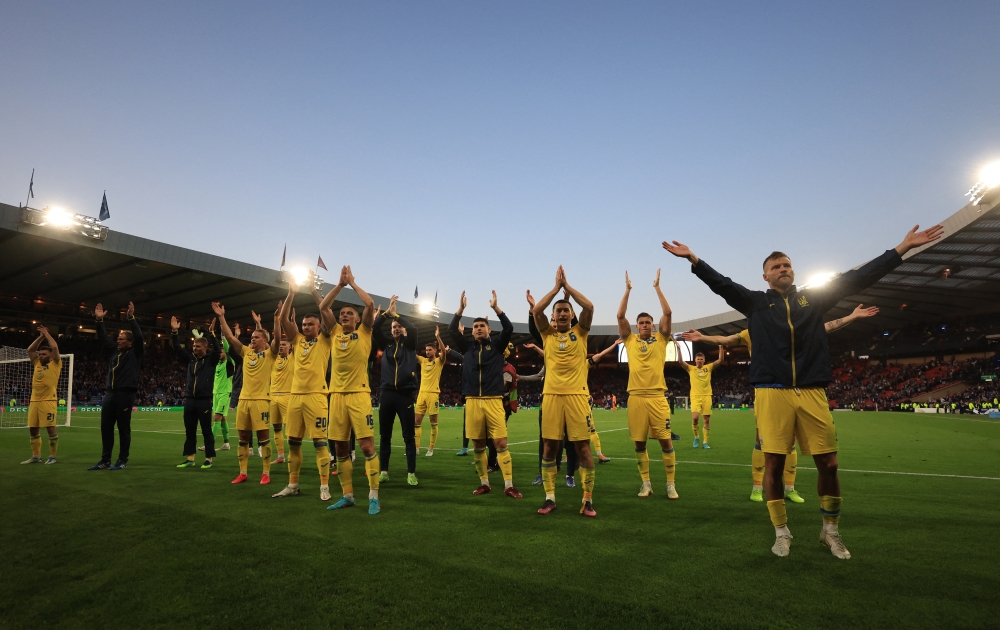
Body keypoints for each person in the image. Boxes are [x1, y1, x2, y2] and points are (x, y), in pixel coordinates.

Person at [663, 222, 943, 558]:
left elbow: (858, 278)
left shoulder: (813, 299)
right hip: (771, 392)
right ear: (765, 276)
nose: (783, 269)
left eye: (787, 265)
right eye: (775, 266)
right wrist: (694, 259)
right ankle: (782, 531)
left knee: (830, 464)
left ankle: (831, 531)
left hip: (811, 391)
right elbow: (721, 284)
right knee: (774, 465)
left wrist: (901, 248)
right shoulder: (754, 303)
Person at [684, 303, 880, 503]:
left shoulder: (792, 327)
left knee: (791, 442)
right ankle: (757, 487)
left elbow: (826, 326)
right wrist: (702, 337)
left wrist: (852, 316)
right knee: (761, 441)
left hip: (797, 389)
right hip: (768, 392)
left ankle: (790, 488)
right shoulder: (750, 332)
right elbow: (726, 339)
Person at [531, 266, 597, 517]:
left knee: (583, 449)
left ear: (572, 316)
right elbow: (536, 310)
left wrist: (567, 288)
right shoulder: (546, 334)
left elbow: (589, 307)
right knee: (549, 447)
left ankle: (587, 500)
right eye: (558, 310)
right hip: (551, 397)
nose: (561, 313)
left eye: (566, 310)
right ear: (553, 315)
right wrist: (555, 289)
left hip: (578, 397)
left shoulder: (580, 333)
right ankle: (549, 498)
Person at [319, 266, 383, 515]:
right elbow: (324, 308)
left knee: (367, 447)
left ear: (357, 320)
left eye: (349, 313)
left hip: (359, 396)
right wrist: (339, 285)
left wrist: (353, 284)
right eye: (342, 313)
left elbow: (369, 304)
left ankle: (373, 496)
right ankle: (347, 496)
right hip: (335, 397)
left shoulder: (364, 333)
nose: (344, 315)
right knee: (341, 449)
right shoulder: (334, 332)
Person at [448, 289, 521, 499]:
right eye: (476, 327)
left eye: (482, 326)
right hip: (472, 401)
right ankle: (484, 483)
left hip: (494, 400)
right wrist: (460, 309)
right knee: (478, 445)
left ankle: (509, 485)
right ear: (472, 332)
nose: (479, 329)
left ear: (489, 330)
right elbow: (452, 329)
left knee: (500, 444)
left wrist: (496, 308)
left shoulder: (497, 346)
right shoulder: (467, 347)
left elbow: (509, 327)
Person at [271, 273, 335, 501]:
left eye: (310, 324)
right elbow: (284, 318)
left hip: (317, 397)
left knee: (320, 444)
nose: (306, 327)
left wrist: (313, 290)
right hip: (295, 398)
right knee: (293, 444)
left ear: (319, 327)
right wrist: (291, 293)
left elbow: (327, 313)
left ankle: (324, 486)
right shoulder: (296, 340)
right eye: (304, 324)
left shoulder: (326, 340)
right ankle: (293, 484)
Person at [617, 269, 678, 499]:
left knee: (665, 441)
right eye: (641, 322)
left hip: (657, 397)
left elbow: (668, 312)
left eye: (648, 322)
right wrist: (628, 290)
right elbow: (620, 316)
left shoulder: (661, 339)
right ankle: (646, 484)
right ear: (636, 327)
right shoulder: (629, 339)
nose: (644, 325)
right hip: (635, 397)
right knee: (639, 444)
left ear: (653, 326)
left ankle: (670, 484)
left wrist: (657, 288)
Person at [213, 302, 278, 484]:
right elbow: (229, 336)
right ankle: (243, 472)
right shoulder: (246, 353)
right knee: (243, 438)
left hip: (261, 401)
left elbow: (278, 339)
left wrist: (277, 319)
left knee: (263, 438)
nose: (253, 339)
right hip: (244, 401)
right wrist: (221, 316)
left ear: (264, 341)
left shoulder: (270, 355)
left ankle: (266, 473)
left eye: (256, 337)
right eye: (252, 337)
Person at [89, 302, 144, 471]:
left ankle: (122, 460)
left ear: (130, 342)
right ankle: (105, 460)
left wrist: (131, 318)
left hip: (125, 395)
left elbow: (139, 337)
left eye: (121, 339)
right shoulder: (115, 351)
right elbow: (104, 339)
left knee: (123, 429)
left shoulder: (136, 353)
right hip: (110, 394)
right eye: (118, 339)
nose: (118, 341)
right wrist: (99, 321)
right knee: (106, 428)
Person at [372, 295, 419, 486]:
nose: (396, 328)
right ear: (390, 332)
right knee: (385, 436)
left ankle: (411, 473)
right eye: (393, 327)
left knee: (409, 436)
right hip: (387, 394)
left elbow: (414, 328)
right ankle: (384, 471)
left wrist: (396, 315)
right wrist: (385, 314)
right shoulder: (387, 345)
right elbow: (375, 327)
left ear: (403, 329)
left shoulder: (410, 344)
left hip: (405, 395)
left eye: (398, 326)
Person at [172, 316, 221, 469]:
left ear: (205, 348)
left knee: (206, 430)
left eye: (198, 346)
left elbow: (218, 350)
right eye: (194, 346)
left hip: (204, 401)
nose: (195, 348)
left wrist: (212, 333)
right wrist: (174, 332)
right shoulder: (191, 361)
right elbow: (178, 349)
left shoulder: (211, 361)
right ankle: (190, 458)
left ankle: (208, 459)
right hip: (190, 400)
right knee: (190, 431)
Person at [21, 326, 62, 465]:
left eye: (44, 354)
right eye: (40, 353)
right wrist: (40, 337)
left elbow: (55, 348)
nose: (40, 355)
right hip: (34, 401)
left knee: (50, 428)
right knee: (33, 429)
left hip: (48, 400)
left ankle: (52, 456)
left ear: (50, 357)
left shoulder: (56, 364)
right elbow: (30, 350)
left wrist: (47, 334)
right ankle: (36, 456)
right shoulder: (37, 363)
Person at [677, 345, 723, 449]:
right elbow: (680, 362)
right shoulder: (691, 369)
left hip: (707, 396)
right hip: (695, 396)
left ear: (704, 360)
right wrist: (679, 349)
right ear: (695, 360)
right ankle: (696, 437)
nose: (700, 361)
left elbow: (720, 360)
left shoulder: (708, 367)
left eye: (701, 359)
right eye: (698, 359)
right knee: (695, 418)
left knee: (706, 420)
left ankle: (705, 442)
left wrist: (721, 347)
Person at [269, 302, 295, 465]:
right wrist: (276, 319)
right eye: (280, 345)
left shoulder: (293, 358)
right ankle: (280, 456)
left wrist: (291, 321)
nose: (281, 346)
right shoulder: (273, 358)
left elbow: (294, 337)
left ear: (290, 348)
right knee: (276, 427)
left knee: (290, 429)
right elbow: (275, 339)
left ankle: (293, 455)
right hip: (272, 396)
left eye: (284, 345)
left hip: (287, 397)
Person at [415, 327, 447, 457]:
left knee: (433, 421)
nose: (427, 352)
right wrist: (406, 336)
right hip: (421, 394)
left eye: (430, 350)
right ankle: (416, 448)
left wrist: (438, 337)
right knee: (416, 422)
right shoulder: (422, 360)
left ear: (435, 350)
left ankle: (431, 448)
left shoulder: (439, 361)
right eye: (426, 350)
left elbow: (444, 352)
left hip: (433, 394)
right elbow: (411, 352)